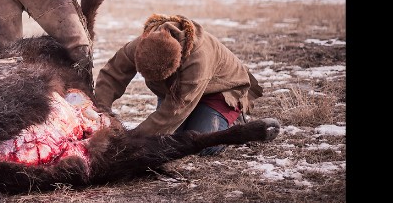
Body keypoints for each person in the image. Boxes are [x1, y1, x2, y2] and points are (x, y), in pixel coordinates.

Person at [92, 13, 264, 155]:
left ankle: (232, 122)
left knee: (203, 146)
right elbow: (111, 75)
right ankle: (196, 117)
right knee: (168, 139)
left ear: (175, 66)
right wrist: (100, 113)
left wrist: (129, 141)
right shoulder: (143, 44)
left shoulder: (197, 62)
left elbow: (172, 113)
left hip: (220, 92)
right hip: (175, 92)